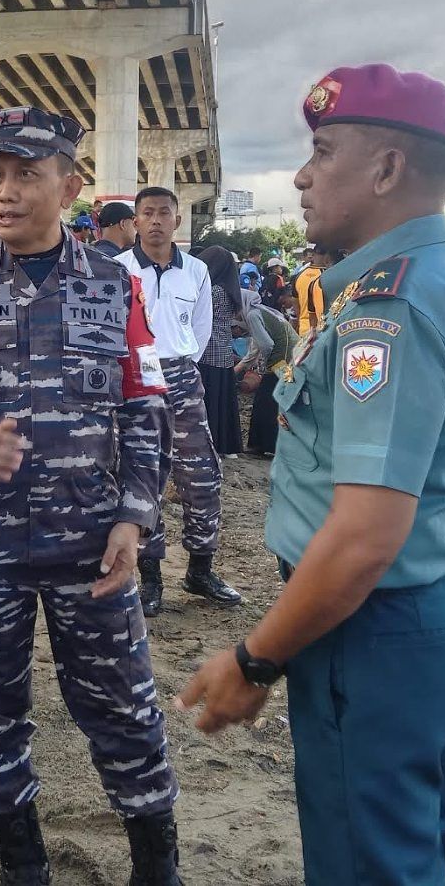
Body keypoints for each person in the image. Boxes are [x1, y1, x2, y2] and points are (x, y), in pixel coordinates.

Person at [178, 64, 445, 885]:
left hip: (373, 626)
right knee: (413, 847)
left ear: (389, 169)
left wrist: (255, 660)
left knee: (369, 862)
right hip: (418, 608)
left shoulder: (390, 311)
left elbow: (363, 537)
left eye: (322, 151)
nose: (301, 174)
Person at [0, 104, 183, 886]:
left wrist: (135, 514)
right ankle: (22, 865)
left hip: (91, 542)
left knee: (123, 705)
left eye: (27, 174)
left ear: (70, 186)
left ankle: (156, 864)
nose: (6, 191)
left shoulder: (113, 285)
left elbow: (141, 403)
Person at [117, 186, 241, 616]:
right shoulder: (116, 270)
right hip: (136, 382)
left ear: (177, 221)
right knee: (146, 476)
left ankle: (200, 569)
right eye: (146, 213)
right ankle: (151, 577)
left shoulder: (197, 272)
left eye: (163, 213)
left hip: (183, 378)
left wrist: (181, 359)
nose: (155, 220)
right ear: (135, 221)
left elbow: (202, 327)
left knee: (202, 473)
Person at [196, 245, 245, 458]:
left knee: (209, 401)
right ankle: (226, 444)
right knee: (224, 402)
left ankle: (210, 442)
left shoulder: (213, 291)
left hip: (207, 351)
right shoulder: (230, 291)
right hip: (222, 350)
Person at [237, 300, 298, 457]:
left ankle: (263, 445)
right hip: (291, 354)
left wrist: (262, 368)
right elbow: (254, 350)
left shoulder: (252, 315)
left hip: (280, 359)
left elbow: (266, 346)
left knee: (266, 400)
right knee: (276, 399)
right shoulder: (262, 311)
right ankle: (269, 445)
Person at [292, 245, 329, 335]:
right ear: (327, 256)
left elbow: (295, 302)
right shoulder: (327, 275)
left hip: (304, 329)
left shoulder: (299, 275)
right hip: (321, 330)